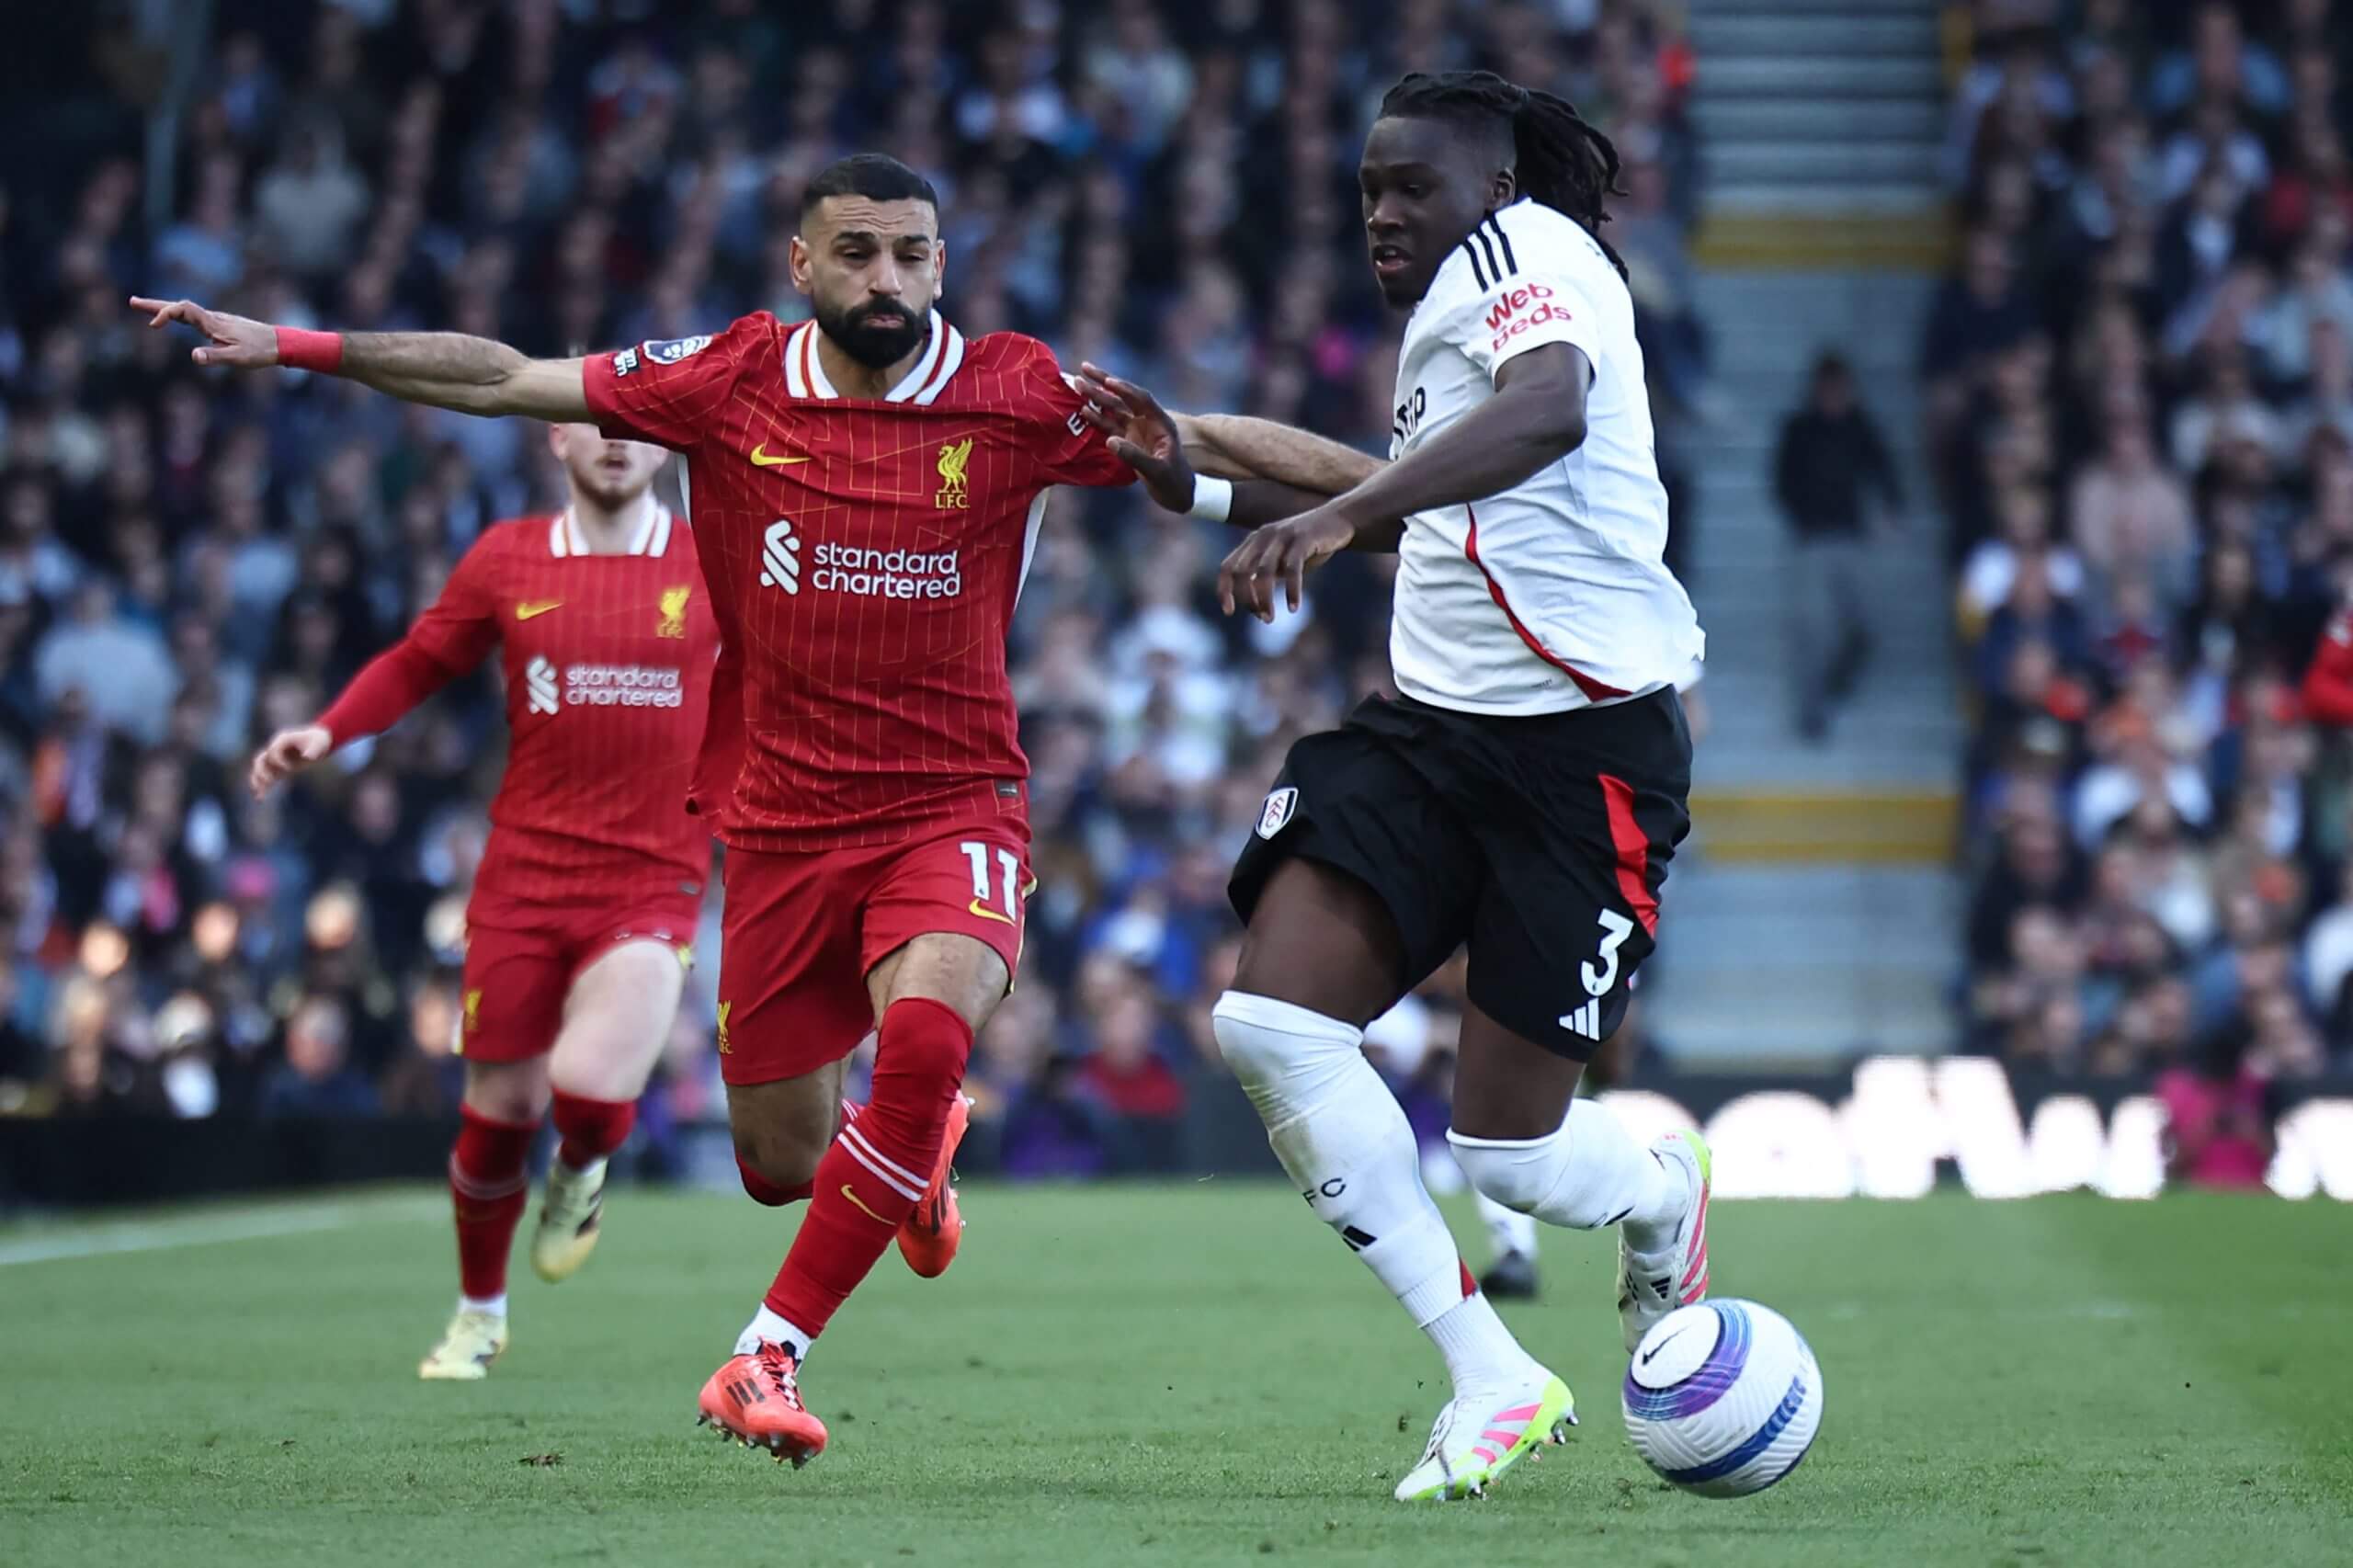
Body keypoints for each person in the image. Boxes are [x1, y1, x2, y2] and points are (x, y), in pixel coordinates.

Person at [137, 153, 1140, 1468]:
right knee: (781, 1161)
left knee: (923, 1040)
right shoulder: (716, 390)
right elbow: (495, 382)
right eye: (855, 252)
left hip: (926, 807)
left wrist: (1395, 501)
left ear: (941, 261)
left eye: (909, 252)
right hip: (765, 830)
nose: (885, 276)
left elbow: (1201, 442)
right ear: (801, 263)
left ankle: (763, 1348)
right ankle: (907, 1154)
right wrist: (295, 345)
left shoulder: (1007, 389)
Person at [1075, 71, 1711, 1503]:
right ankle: (1492, 1372)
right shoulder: (1449, 312)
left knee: (1512, 1150)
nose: (1380, 212)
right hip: (1430, 733)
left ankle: (1664, 1193)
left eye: (1411, 186)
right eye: (1368, 188)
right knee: (1269, 1023)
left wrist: (1341, 507)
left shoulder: (1536, 255)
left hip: (1584, 753)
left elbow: (1544, 416)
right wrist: (1206, 487)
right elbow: (1425, 506)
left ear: (1490, 188)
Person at [248, 418, 719, 1380]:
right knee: (499, 1108)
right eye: (597, 424)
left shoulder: (715, 561)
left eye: (639, 428)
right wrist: (329, 732)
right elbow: (420, 660)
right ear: (557, 437)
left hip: (652, 875)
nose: (618, 443)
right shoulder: (508, 558)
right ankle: (478, 1314)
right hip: (523, 876)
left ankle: (583, 1167)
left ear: (668, 445)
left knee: (586, 1089)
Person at [1772, 351, 1904, 740]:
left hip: (1852, 539)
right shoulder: (1799, 428)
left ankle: (1836, 684)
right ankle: (1812, 710)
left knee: (1866, 626)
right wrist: (1803, 517)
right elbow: (1781, 480)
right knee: (1812, 631)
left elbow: (1883, 468)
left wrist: (1892, 508)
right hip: (1813, 541)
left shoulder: (1860, 426)